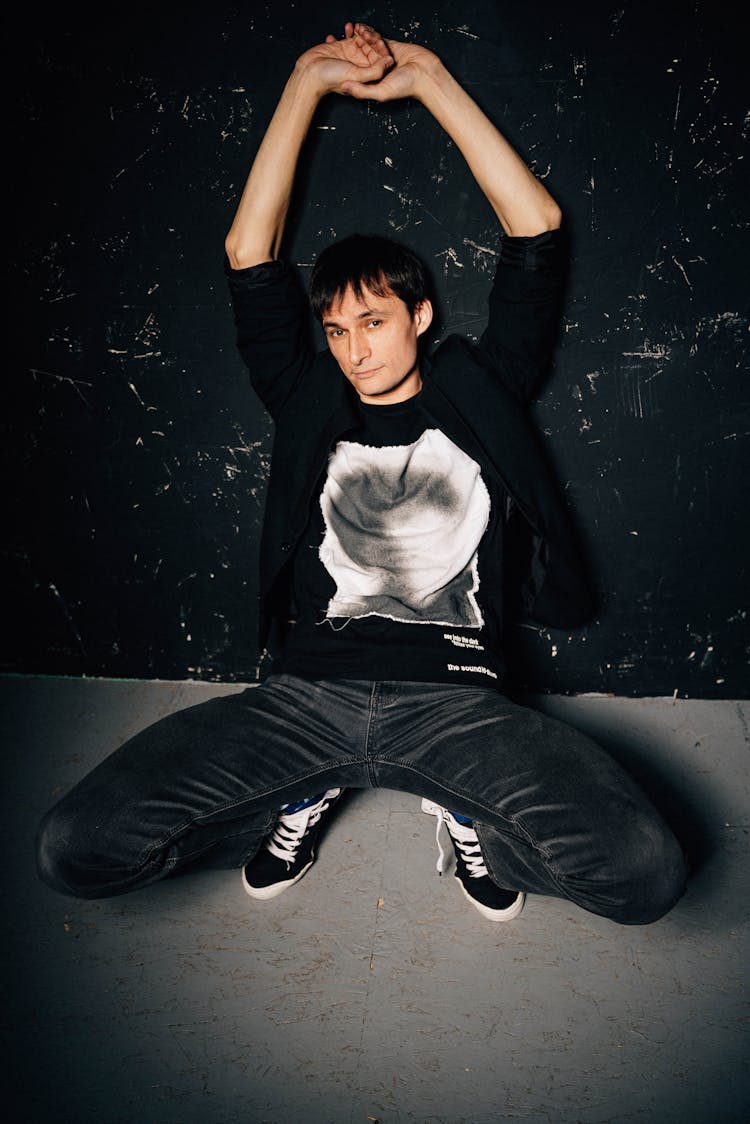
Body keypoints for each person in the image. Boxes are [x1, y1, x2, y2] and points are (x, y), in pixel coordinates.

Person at [36, 22, 687, 925]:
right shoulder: (308, 399)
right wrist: (305, 80)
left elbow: (535, 229)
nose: (354, 349)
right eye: (337, 331)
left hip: (458, 698)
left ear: (419, 314)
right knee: (73, 849)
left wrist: (428, 79)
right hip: (305, 695)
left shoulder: (480, 390)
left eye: (372, 322)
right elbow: (248, 259)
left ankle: (471, 820)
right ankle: (288, 801)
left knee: (644, 874)